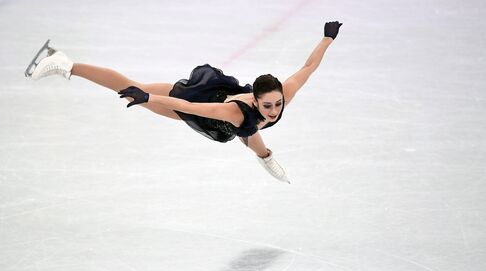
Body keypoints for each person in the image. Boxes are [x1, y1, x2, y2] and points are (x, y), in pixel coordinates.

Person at [27, 21, 342, 183]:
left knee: (252, 138)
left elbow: (308, 67)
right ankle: (66, 64)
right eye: (268, 106)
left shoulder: (283, 94)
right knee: (127, 87)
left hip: (218, 105)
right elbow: (192, 109)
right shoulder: (236, 111)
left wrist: (327, 38)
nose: (274, 111)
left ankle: (268, 159)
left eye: (277, 105)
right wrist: (148, 98)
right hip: (202, 108)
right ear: (256, 100)